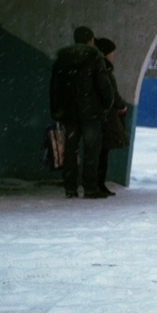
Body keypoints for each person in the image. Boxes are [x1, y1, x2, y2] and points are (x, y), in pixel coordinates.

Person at [49, 25, 115, 199]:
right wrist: (106, 106)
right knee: (92, 150)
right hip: (91, 113)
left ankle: (70, 187)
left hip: (69, 112)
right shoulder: (95, 57)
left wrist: (56, 110)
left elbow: (54, 87)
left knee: (70, 150)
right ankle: (90, 187)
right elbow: (104, 86)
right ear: (91, 40)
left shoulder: (62, 58)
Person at [95, 37, 129, 197]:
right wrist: (121, 105)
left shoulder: (98, 68)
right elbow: (111, 93)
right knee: (102, 151)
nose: (113, 55)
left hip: (98, 114)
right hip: (105, 116)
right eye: (111, 52)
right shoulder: (104, 70)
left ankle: (96, 183)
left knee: (99, 151)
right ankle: (98, 183)